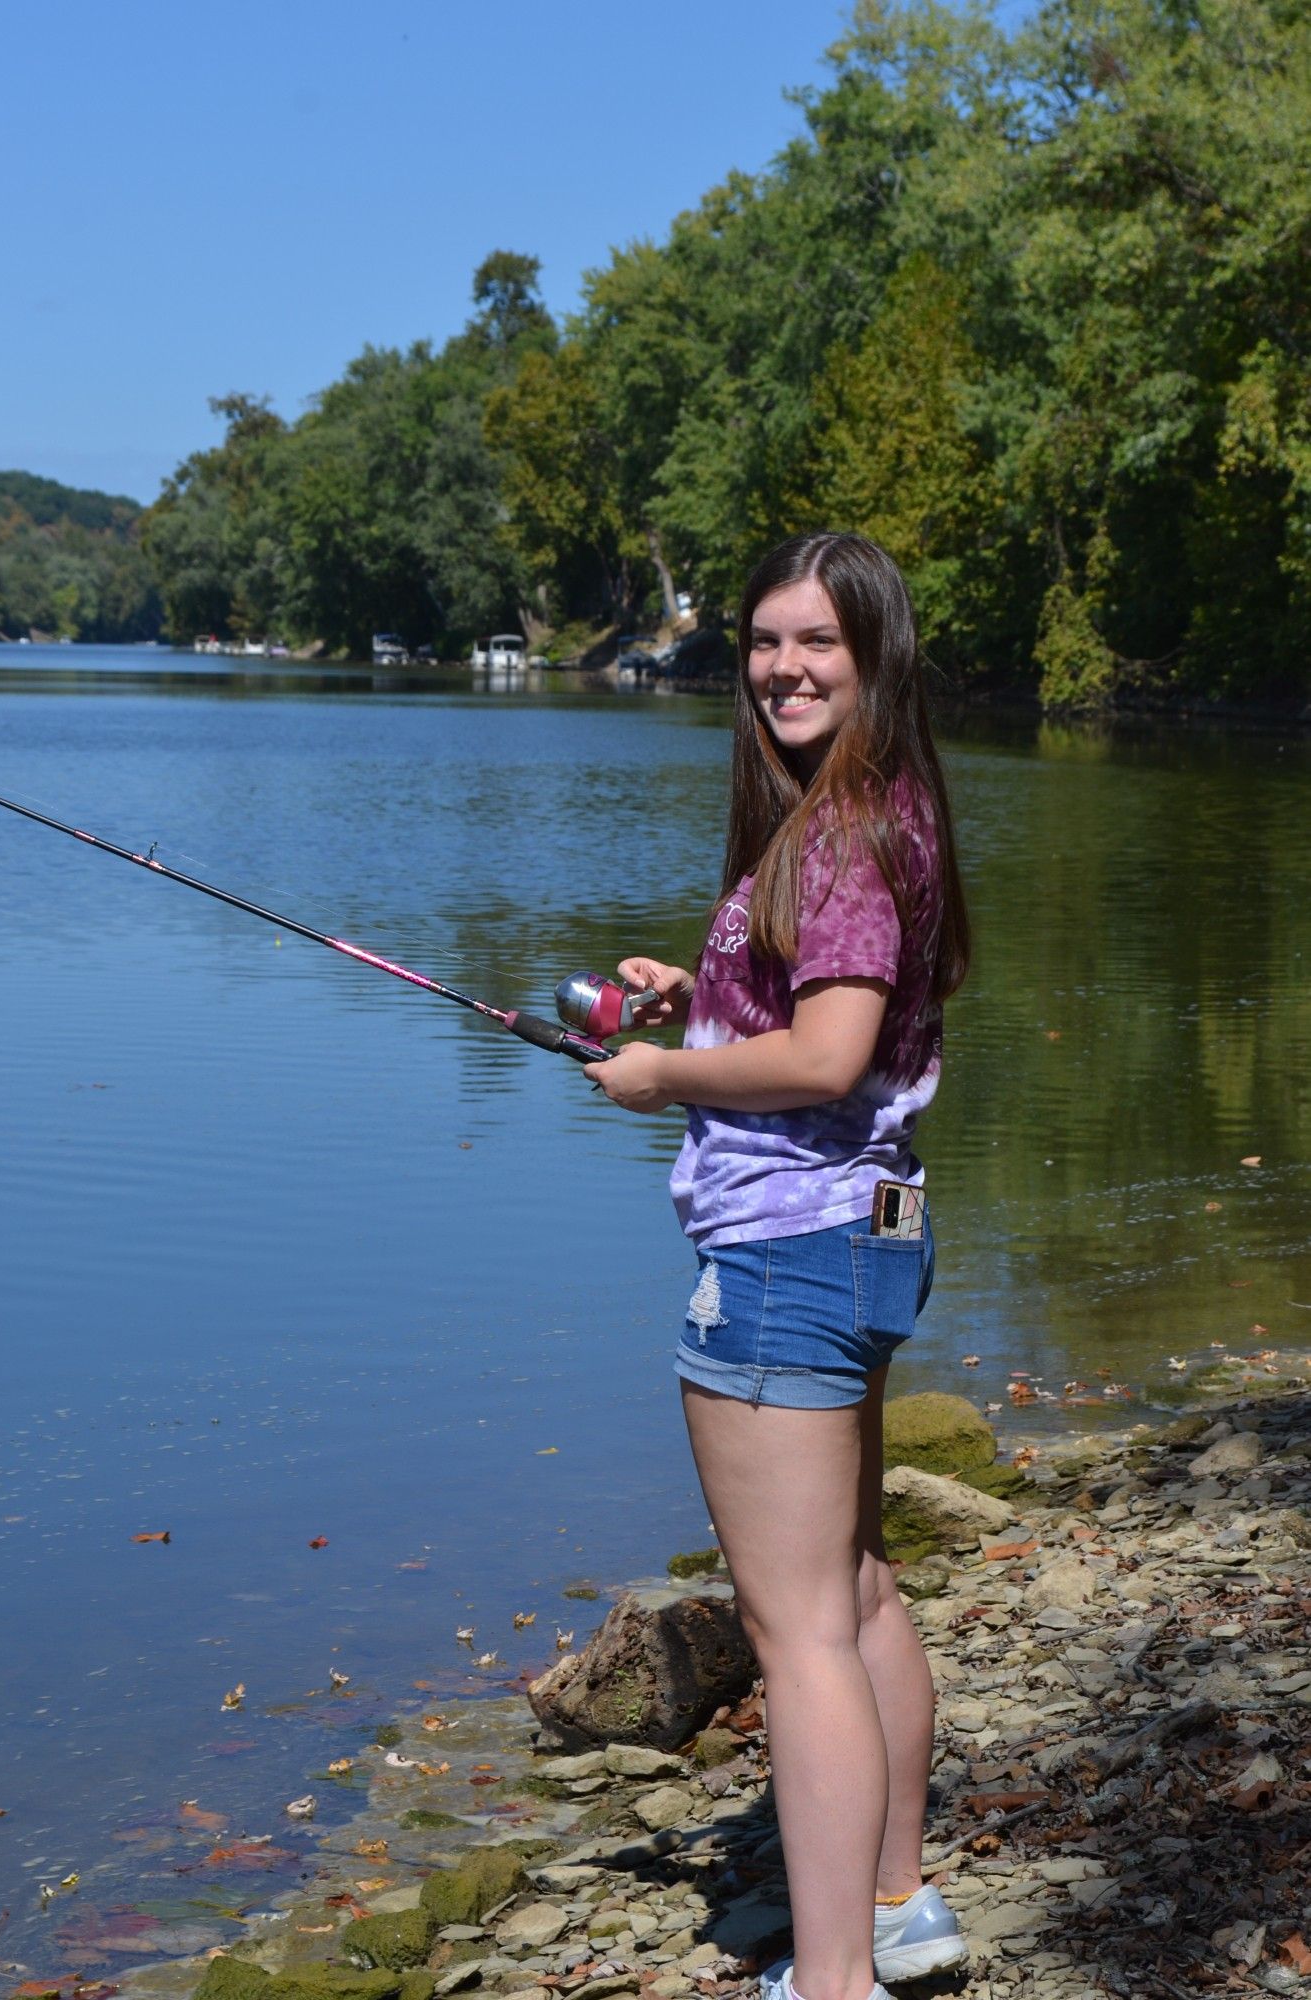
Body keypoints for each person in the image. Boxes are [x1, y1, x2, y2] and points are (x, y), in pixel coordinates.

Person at [592, 531, 971, 2000]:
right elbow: (824, 1001)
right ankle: (892, 1904)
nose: (783, 668)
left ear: (873, 656)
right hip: (868, 1235)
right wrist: (705, 1000)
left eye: (817, 643)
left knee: (794, 1627)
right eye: (763, 641)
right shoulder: (886, 812)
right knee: (857, 1589)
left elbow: (828, 1054)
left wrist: (662, 1079)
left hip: (786, 1251)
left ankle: (830, 1985)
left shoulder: (837, 831)